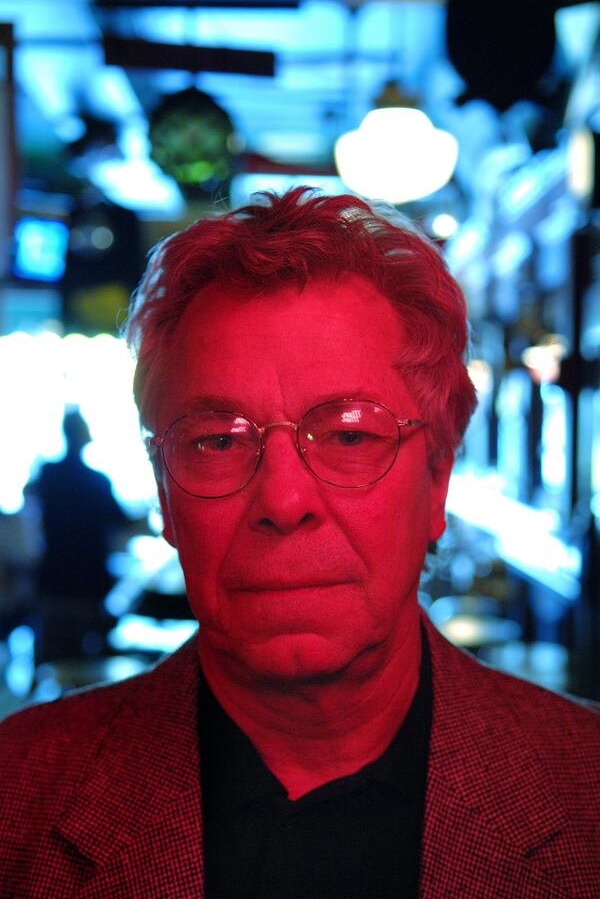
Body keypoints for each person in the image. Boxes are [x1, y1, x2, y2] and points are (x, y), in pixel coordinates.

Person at [0, 188, 598, 898]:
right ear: (164, 493)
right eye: (217, 441)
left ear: (437, 479)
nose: (284, 502)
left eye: (350, 433)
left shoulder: (583, 789)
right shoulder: (19, 799)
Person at [28, 409, 127, 662]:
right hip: (88, 585)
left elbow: (29, 499)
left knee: (50, 662)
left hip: (54, 581)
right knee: (86, 665)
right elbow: (122, 521)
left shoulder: (48, 474)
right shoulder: (97, 482)